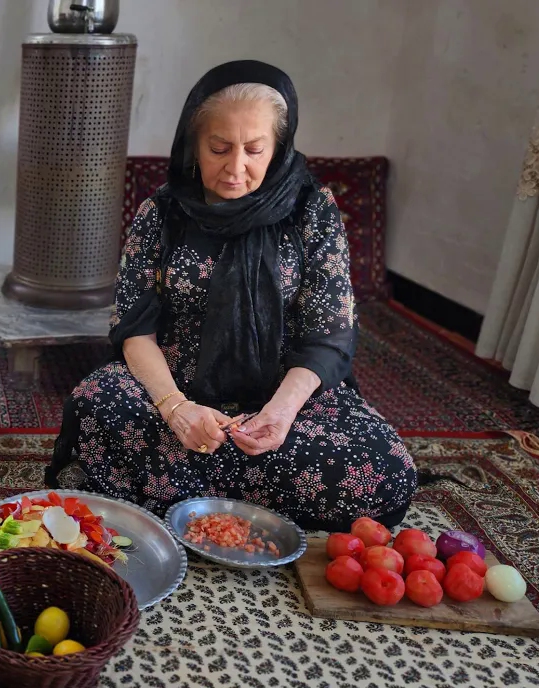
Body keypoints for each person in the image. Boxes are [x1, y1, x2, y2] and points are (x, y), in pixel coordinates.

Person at [48, 60, 416, 531]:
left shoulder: (312, 210)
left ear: (278, 149)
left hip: (285, 393)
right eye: (219, 148)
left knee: (384, 467)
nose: (236, 167)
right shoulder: (162, 212)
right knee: (97, 402)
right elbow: (135, 327)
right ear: (193, 146)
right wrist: (176, 408)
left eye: (255, 149)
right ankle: (256, 497)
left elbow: (329, 336)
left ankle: (171, 491)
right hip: (178, 383)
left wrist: (279, 415)